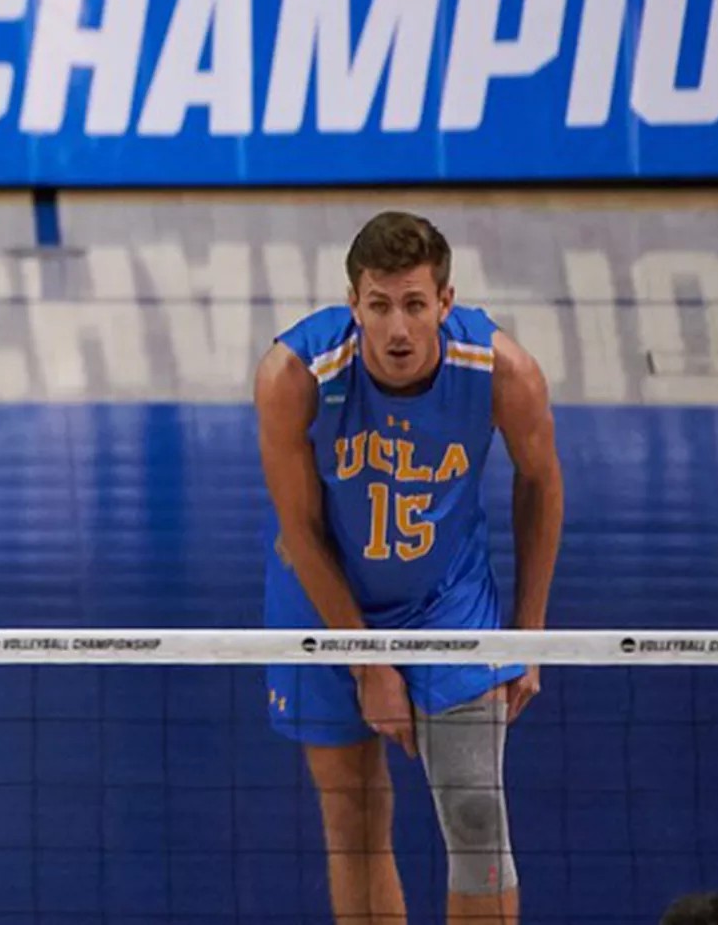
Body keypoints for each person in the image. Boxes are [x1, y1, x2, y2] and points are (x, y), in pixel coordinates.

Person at [256, 210, 566, 925]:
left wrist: (529, 633)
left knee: (477, 819)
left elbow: (542, 484)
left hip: (445, 600)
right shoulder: (293, 374)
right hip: (322, 600)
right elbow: (300, 531)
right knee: (355, 828)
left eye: (416, 305)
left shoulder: (502, 371)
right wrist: (367, 661)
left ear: (446, 303)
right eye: (379, 305)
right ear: (352, 302)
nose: (398, 328)